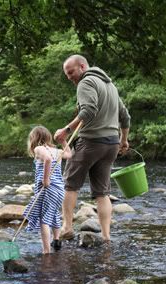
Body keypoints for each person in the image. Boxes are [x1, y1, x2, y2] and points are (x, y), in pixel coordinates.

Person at [54, 55, 131, 242]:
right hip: (111, 144)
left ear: (82, 66)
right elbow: (125, 116)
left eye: (71, 72)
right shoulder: (110, 86)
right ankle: (105, 236)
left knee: (70, 184)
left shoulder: (85, 82)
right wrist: (123, 140)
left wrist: (66, 130)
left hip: (91, 142)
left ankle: (67, 227)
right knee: (102, 192)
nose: (70, 77)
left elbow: (88, 111)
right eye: (67, 75)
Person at [24, 126, 72, 254]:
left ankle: (46, 251)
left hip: (47, 189)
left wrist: (45, 180)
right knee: (54, 214)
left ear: (34, 138)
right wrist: (63, 142)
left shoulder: (39, 149)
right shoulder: (55, 150)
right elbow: (69, 154)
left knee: (43, 219)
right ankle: (56, 241)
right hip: (59, 189)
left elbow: (48, 160)